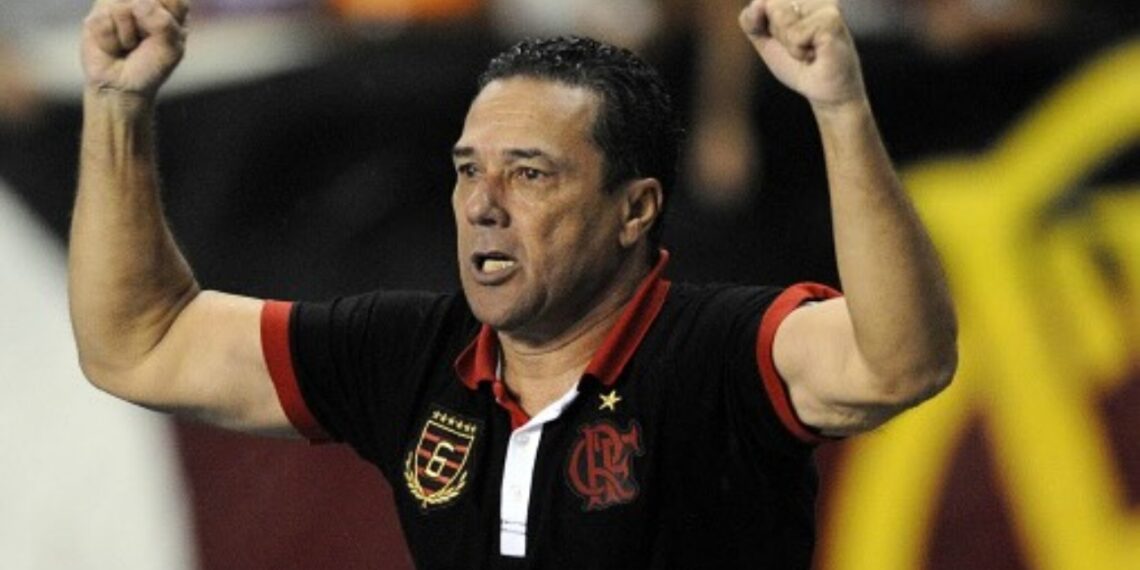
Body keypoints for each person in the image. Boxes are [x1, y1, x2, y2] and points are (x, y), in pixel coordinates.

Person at [70, 0, 957, 567]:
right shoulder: (412, 356)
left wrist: (841, 109)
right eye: (468, 170)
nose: (483, 205)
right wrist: (117, 106)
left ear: (634, 210)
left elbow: (898, 363)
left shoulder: (720, 352)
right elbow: (141, 345)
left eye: (529, 173)